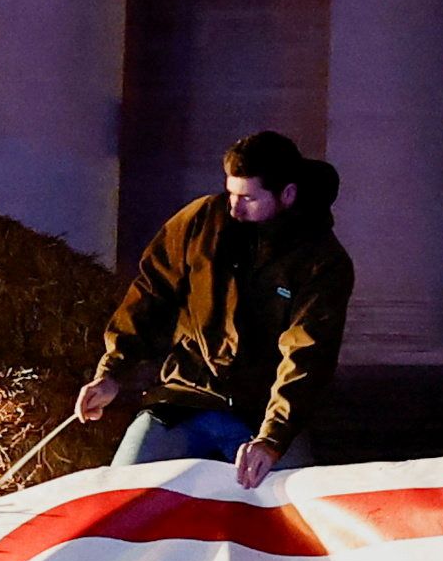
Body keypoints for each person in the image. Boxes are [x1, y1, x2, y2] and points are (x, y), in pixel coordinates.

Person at [69, 130, 353, 484]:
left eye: (248, 198)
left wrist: (273, 439)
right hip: (182, 398)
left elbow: (308, 353)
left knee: (296, 508)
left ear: (288, 194)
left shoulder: (322, 261)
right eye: (230, 193)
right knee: (121, 494)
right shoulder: (201, 222)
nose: (234, 208)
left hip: (262, 412)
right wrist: (112, 374)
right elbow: (149, 297)